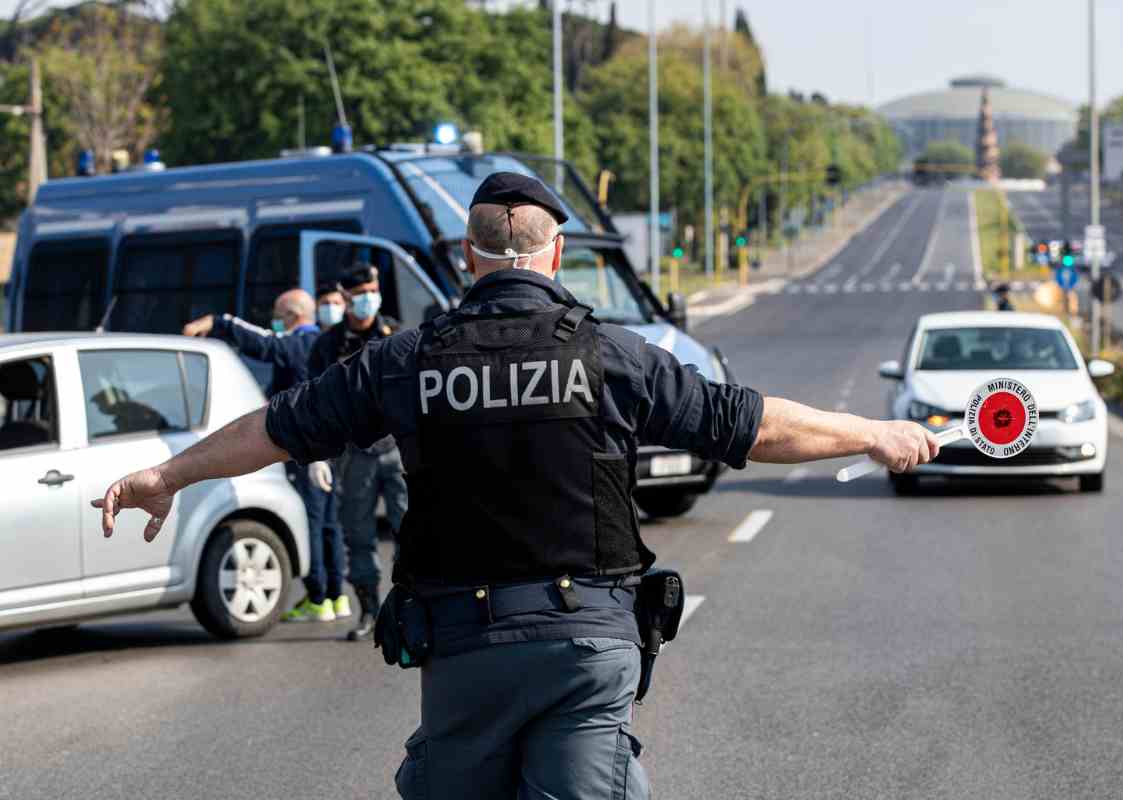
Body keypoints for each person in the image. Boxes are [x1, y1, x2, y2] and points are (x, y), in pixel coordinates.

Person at [95, 172, 939, 800]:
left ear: (468, 258)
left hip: (467, 651)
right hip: (587, 649)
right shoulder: (607, 354)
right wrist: (875, 432)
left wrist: (168, 473)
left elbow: (277, 427)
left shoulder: (408, 359)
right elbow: (748, 422)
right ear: (556, 254)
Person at [182, 289, 349, 623]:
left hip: (309, 449)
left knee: (313, 522)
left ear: (290, 315)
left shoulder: (301, 342)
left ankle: (318, 597)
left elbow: (263, 343)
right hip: (335, 447)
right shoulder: (330, 344)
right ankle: (337, 596)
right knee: (331, 524)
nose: (274, 321)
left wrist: (219, 323)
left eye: (277, 314)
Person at [308, 264, 406, 642]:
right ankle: (368, 609)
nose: (368, 299)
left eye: (372, 291)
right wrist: (316, 453)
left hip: (398, 450)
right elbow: (312, 402)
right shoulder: (327, 346)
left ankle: (410, 606)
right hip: (354, 454)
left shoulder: (395, 334)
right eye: (360, 293)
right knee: (359, 536)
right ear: (346, 298)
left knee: (409, 532)